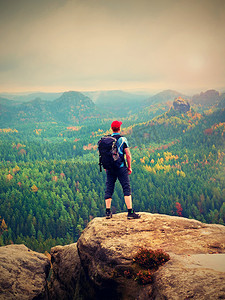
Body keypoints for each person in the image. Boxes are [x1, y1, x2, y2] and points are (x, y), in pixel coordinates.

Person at [104, 120, 140, 219]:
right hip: (121, 167)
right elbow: (128, 154)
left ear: (112, 129)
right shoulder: (123, 139)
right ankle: (130, 212)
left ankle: (108, 212)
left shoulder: (107, 140)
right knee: (126, 188)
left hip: (110, 168)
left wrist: (106, 166)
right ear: (119, 128)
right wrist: (129, 167)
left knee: (109, 188)